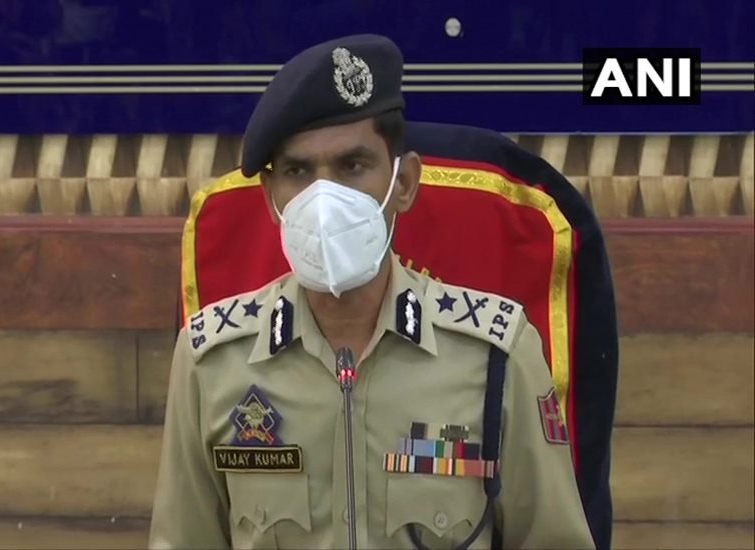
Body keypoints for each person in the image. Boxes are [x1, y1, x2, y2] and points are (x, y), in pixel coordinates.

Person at [149, 33, 596, 549]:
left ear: (402, 183)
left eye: (352, 166)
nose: (324, 197)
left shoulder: (496, 352)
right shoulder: (212, 360)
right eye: (297, 171)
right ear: (271, 198)